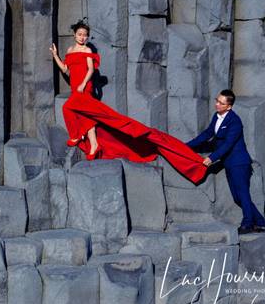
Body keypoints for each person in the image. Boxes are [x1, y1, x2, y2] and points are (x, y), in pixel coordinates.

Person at [50, 19, 207, 184]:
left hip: (84, 88)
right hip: (76, 88)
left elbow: (90, 70)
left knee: (69, 107)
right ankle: (94, 143)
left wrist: (83, 84)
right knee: (87, 115)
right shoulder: (70, 50)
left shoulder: (87, 49)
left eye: (85, 35)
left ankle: (77, 136)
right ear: (74, 34)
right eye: (80, 34)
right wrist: (55, 55)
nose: (82, 37)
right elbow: (65, 69)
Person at [186, 90, 265, 233]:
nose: (217, 104)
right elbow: (207, 134)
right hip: (229, 163)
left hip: (239, 163)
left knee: (243, 194)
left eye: (221, 103)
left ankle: (247, 223)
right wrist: (187, 146)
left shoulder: (235, 121)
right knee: (238, 197)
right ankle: (261, 223)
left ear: (229, 106)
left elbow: (228, 144)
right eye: (217, 100)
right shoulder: (217, 116)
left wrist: (211, 158)